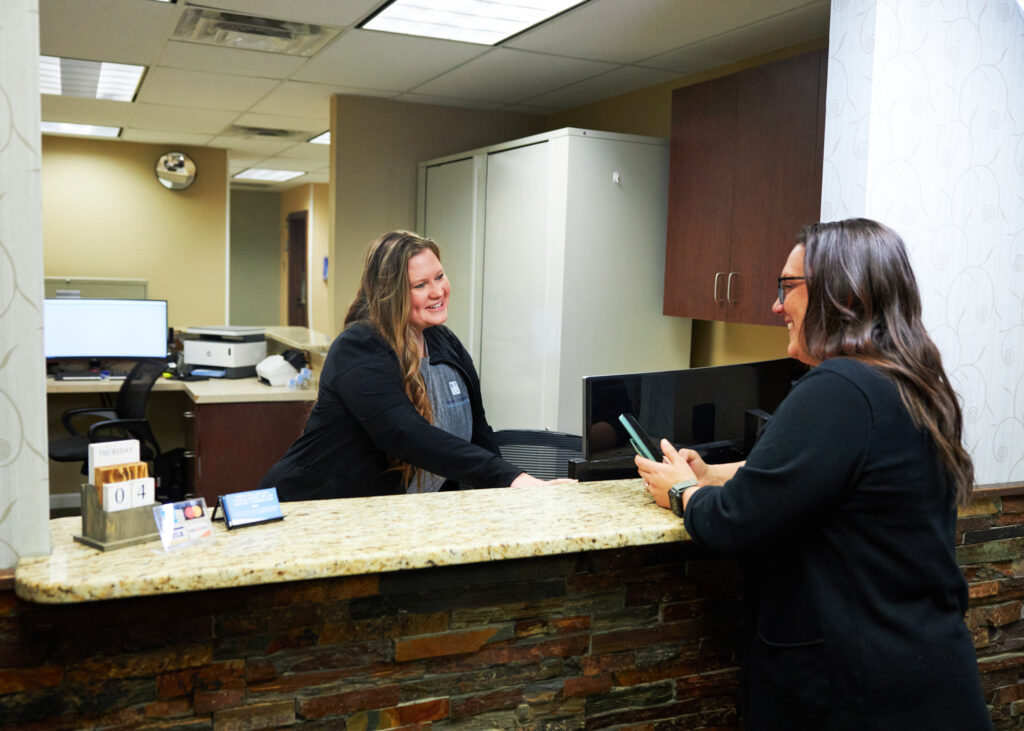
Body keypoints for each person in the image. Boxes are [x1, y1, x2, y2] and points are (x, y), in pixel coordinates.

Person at [635, 219, 991, 730]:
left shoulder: (837, 387)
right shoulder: (910, 382)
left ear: (841, 293)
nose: (777, 306)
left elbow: (732, 523)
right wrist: (712, 472)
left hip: (860, 693)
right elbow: (820, 474)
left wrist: (683, 492)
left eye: (788, 287)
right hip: (926, 675)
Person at [260, 231, 571, 501]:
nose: (437, 292)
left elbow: (479, 433)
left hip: (401, 518)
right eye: (420, 285)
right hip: (315, 510)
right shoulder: (359, 346)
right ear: (391, 294)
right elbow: (405, 434)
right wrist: (509, 478)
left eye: (439, 276)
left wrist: (510, 489)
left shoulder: (444, 341)